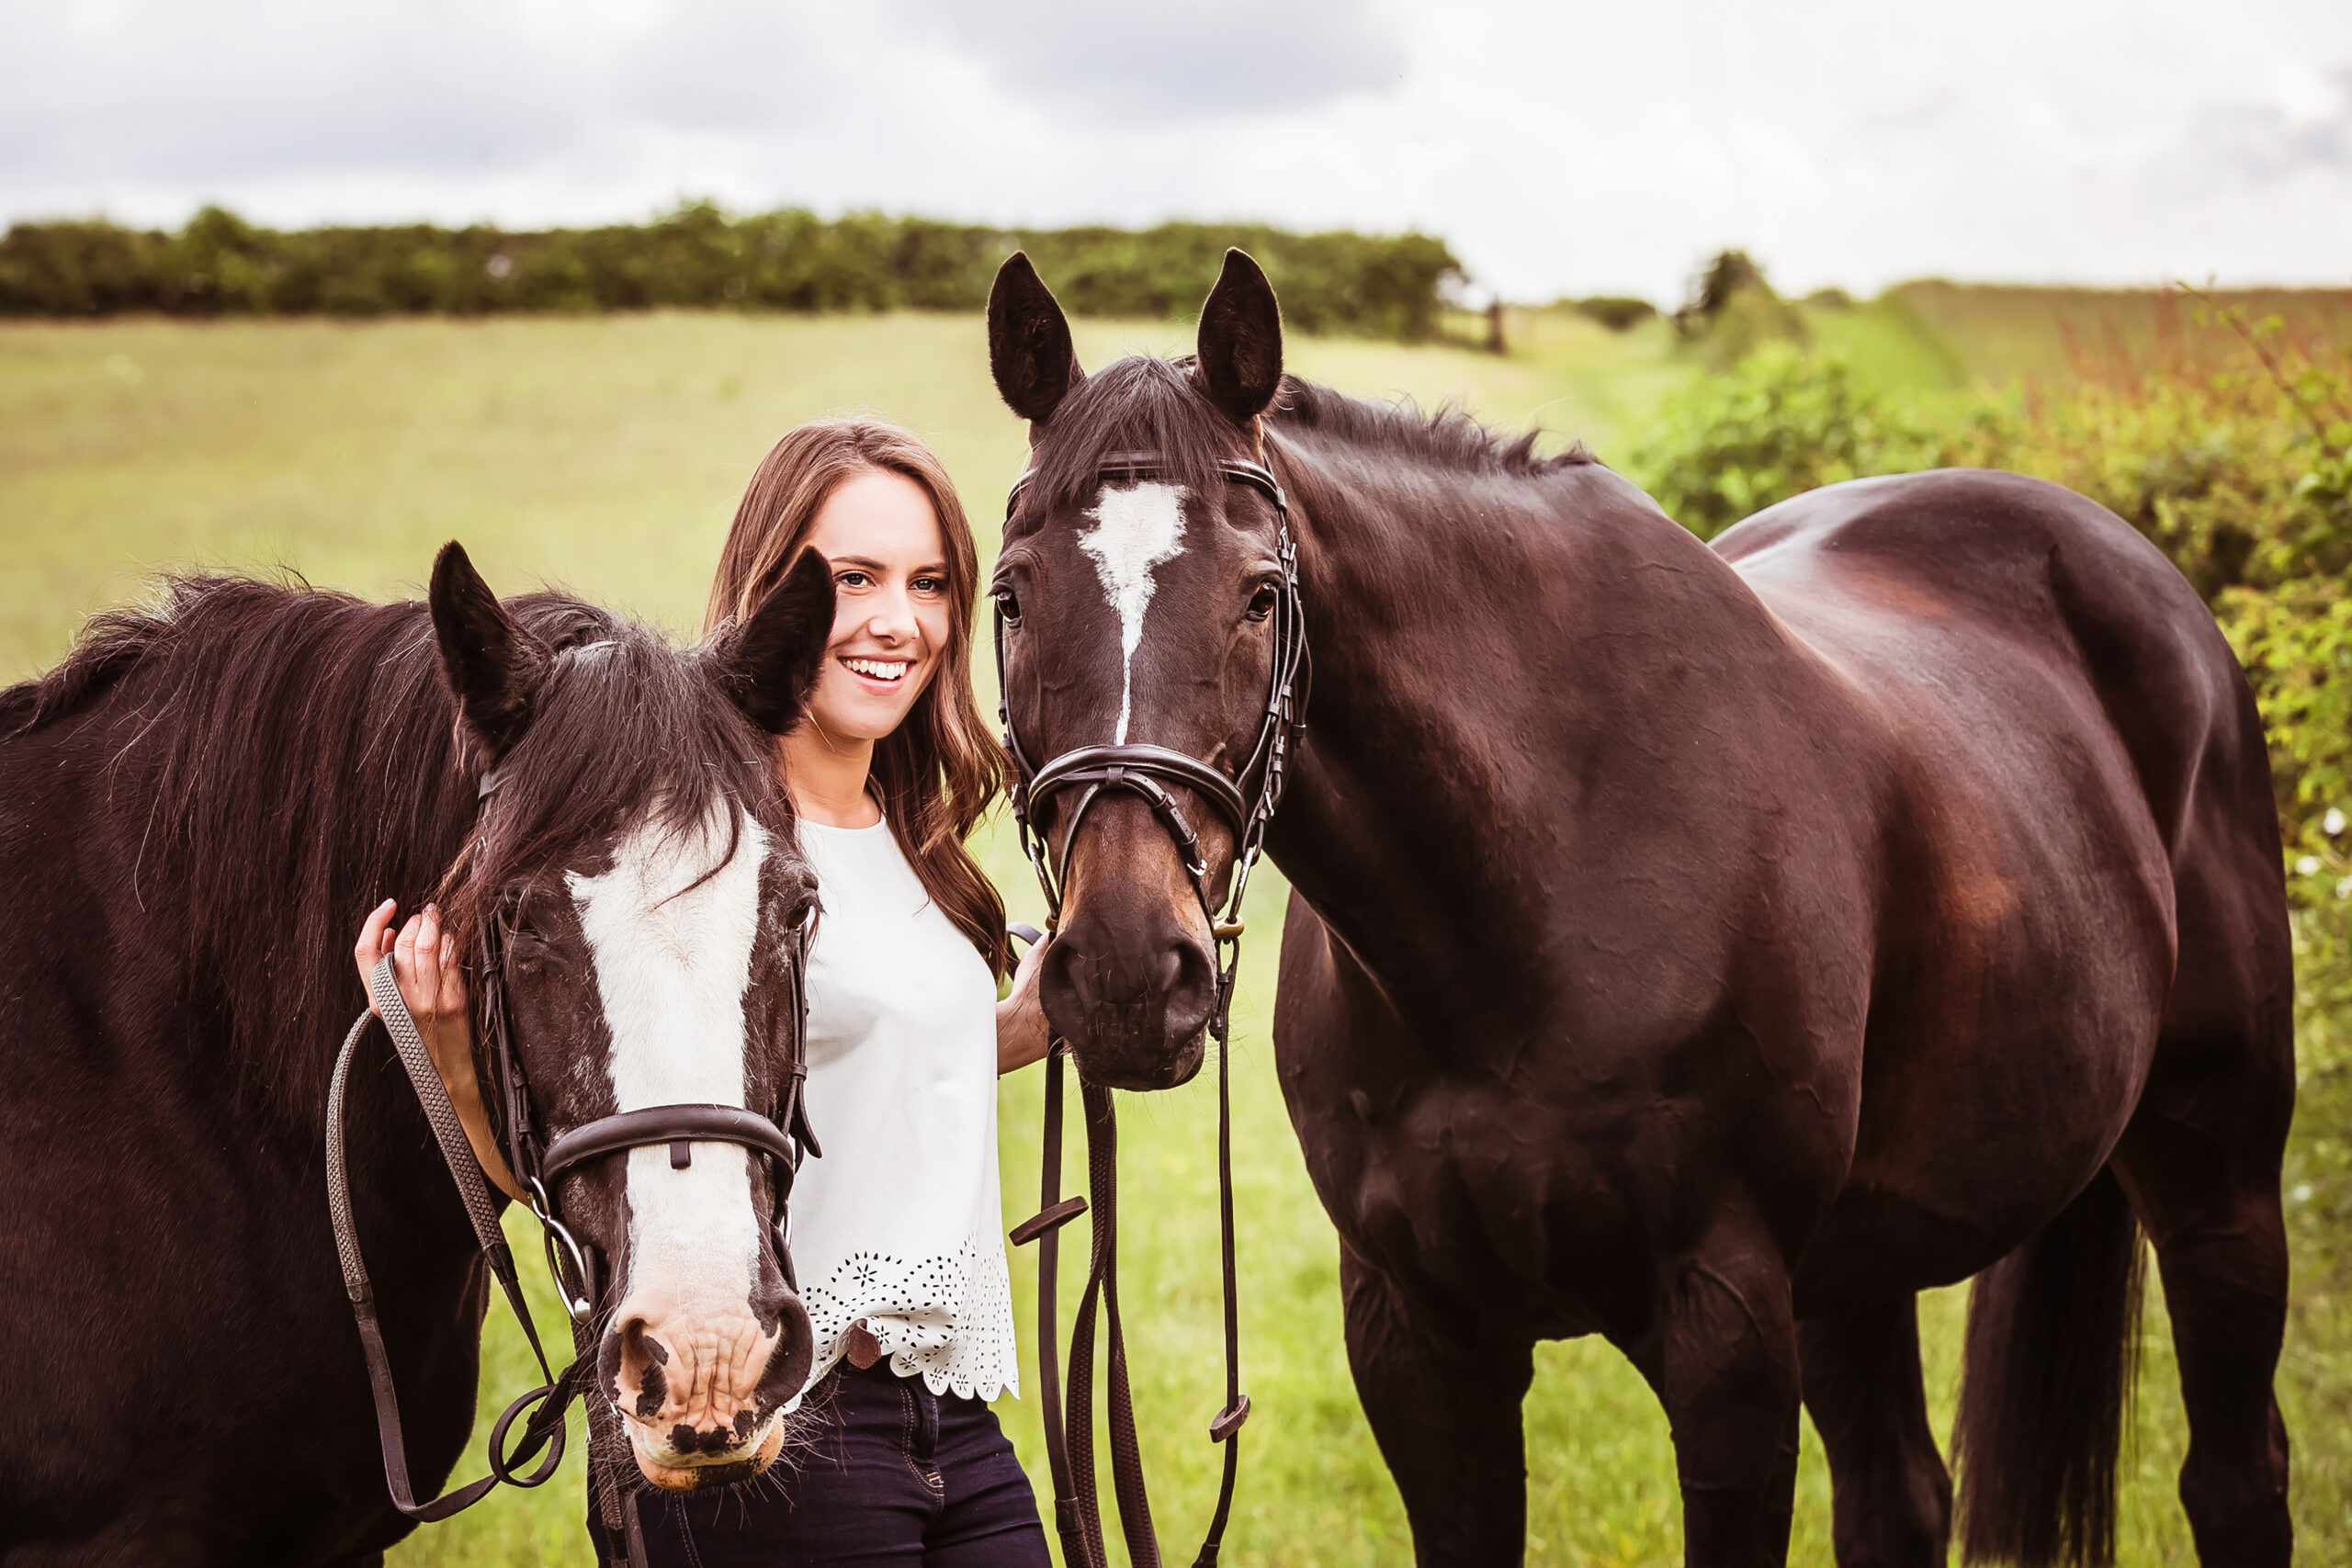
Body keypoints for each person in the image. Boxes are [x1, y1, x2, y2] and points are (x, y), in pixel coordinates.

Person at [356, 419, 1056, 1567]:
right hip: (761, 1405)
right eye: (853, 580)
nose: (897, 620)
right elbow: (595, 1156)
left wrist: (1020, 1024)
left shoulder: (915, 841)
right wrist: (455, 1065)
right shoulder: (681, 852)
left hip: (953, 1407)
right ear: (782, 606)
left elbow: (852, 1059)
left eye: (930, 583)